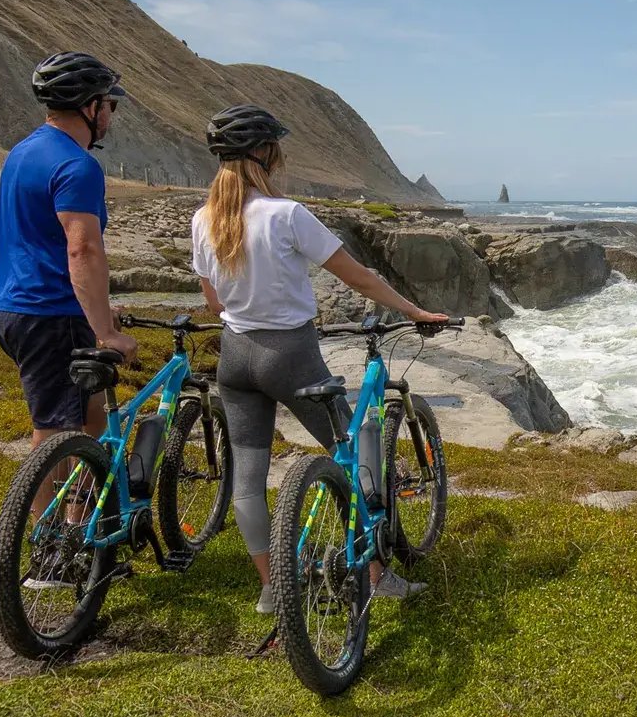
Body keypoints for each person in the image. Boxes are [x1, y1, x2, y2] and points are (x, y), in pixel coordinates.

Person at [189, 104, 449, 613]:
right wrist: (414, 309)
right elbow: (358, 277)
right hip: (290, 353)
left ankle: (271, 587)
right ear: (264, 153)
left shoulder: (205, 220)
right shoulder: (285, 214)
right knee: (354, 458)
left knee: (247, 475)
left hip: (235, 356)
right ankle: (375, 578)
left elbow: (213, 303)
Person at [0, 52, 140, 534]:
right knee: (53, 430)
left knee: (90, 416)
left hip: (11, 306)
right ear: (90, 107)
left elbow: (39, 238)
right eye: (110, 105)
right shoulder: (78, 166)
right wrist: (106, 331)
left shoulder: (24, 151)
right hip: (50, 312)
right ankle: (46, 544)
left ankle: (76, 521)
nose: (113, 116)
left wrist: (97, 309)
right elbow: (83, 251)